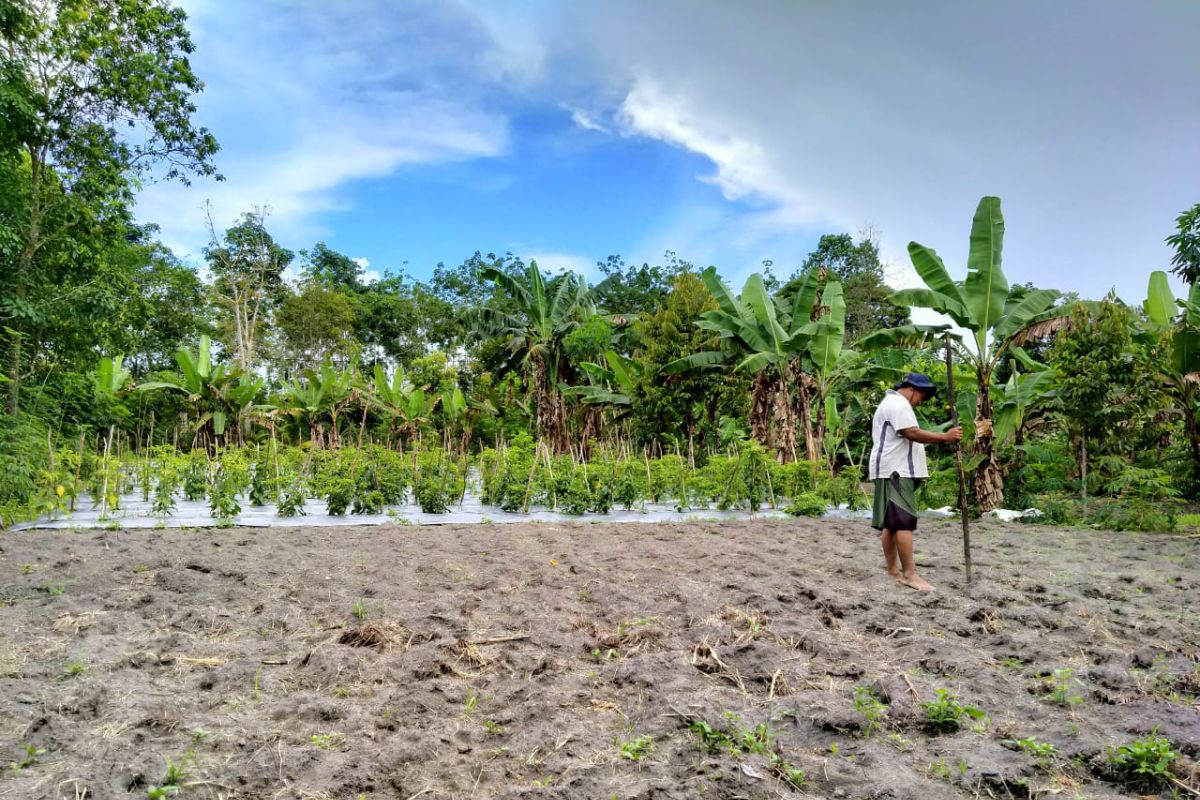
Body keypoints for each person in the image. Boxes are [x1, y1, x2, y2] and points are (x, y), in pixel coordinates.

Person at [869, 372, 961, 592]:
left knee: (892, 524)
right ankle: (910, 574)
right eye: (922, 395)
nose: (921, 401)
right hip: (896, 471)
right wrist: (945, 437)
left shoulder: (892, 403)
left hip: (890, 469)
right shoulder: (897, 403)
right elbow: (911, 432)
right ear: (911, 389)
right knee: (903, 522)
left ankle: (893, 571)